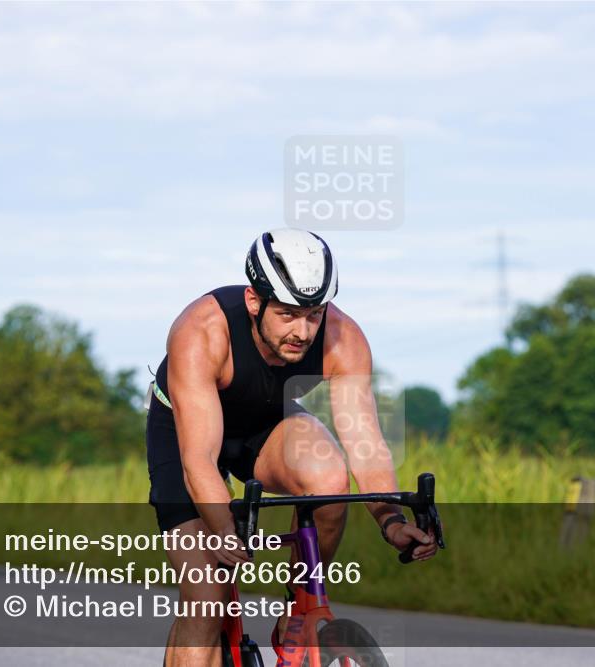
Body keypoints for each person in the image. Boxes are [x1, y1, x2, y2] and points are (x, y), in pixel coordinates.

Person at [146, 228, 437, 666]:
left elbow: (366, 444)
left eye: (314, 314)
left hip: (265, 424)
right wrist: (225, 531)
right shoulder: (201, 330)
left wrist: (391, 521)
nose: (302, 331)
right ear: (253, 300)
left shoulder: (343, 337)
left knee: (329, 477)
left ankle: (297, 616)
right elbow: (199, 461)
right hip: (186, 432)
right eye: (287, 314)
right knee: (207, 592)